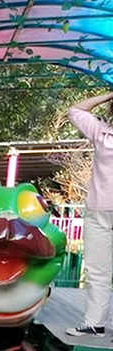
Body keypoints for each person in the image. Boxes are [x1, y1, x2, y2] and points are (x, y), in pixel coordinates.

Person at [66, 91, 113, 336]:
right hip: (99, 210)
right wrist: (109, 94)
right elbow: (75, 110)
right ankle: (94, 323)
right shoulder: (101, 132)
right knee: (96, 269)